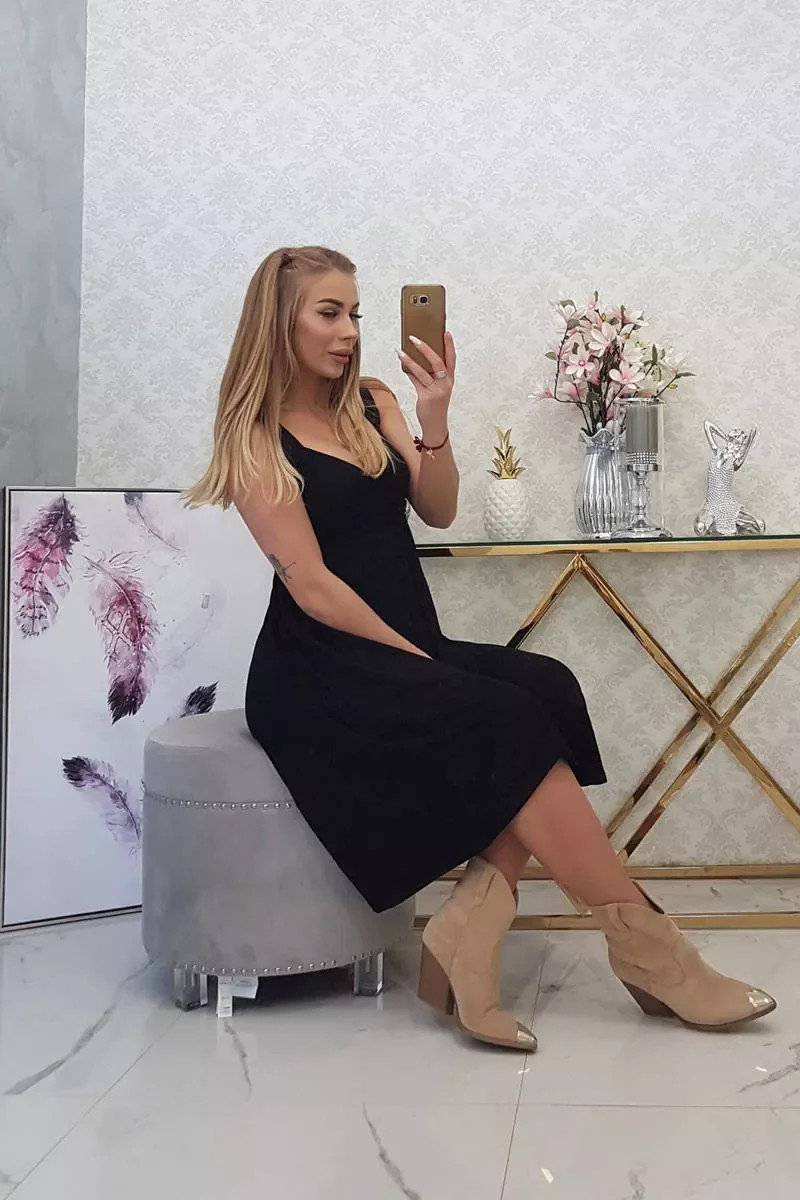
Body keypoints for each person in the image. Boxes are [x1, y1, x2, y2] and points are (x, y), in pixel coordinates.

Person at [186, 246, 776, 1051]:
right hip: (320, 667)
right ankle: (652, 951)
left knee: (547, 685)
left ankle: (467, 928)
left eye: (355, 313)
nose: (349, 330)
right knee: (505, 718)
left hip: (406, 642)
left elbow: (438, 508)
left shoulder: (370, 401)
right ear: (278, 321)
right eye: (329, 313)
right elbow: (313, 586)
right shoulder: (256, 439)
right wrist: (414, 661)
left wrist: (433, 416)